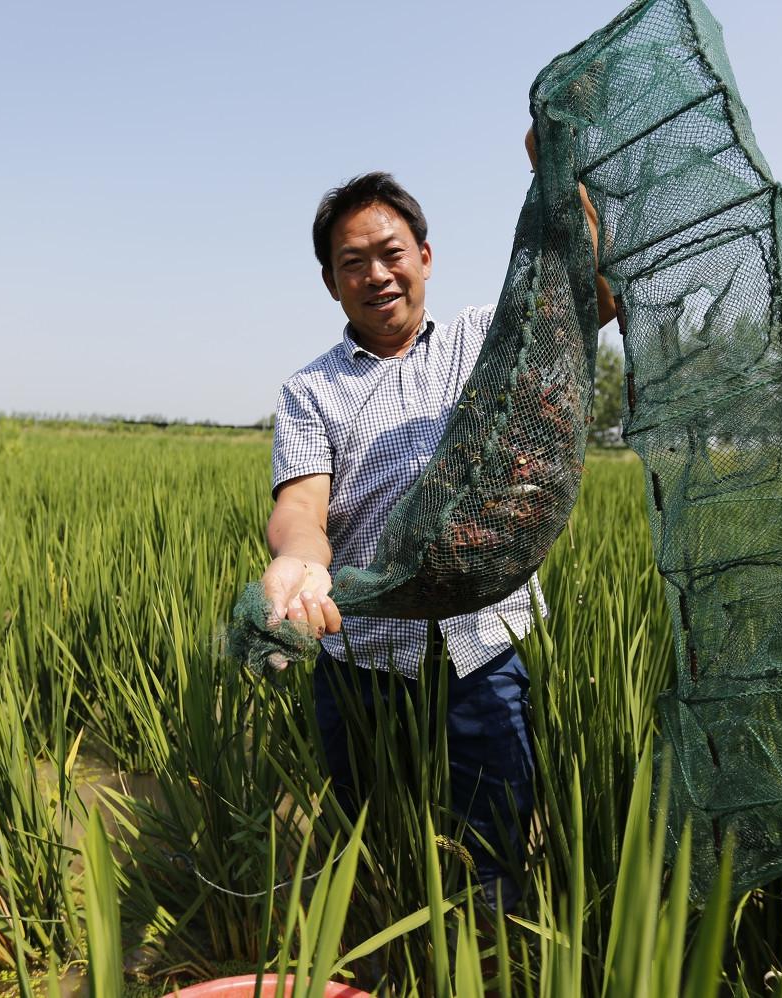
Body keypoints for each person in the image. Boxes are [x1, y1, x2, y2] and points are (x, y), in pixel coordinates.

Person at [258, 137, 614, 912]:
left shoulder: (484, 340)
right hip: (364, 662)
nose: (376, 274)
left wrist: (560, 176)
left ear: (424, 255)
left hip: (483, 649)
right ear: (330, 283)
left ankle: (486, 959)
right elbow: (302, 506)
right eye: (353, 263)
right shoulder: (309, 391)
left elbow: (595, 292)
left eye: (390, 252)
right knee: (373, 847)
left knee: (493, 856)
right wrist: (298, 563)